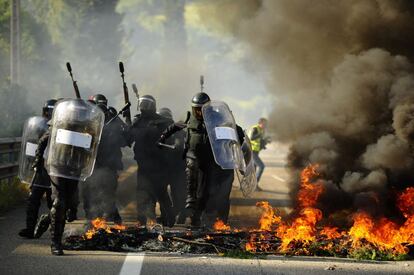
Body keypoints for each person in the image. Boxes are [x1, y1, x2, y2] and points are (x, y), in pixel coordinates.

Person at [159, 93, 244, 227]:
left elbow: (236, 131)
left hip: (215, 163)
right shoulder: (189, 118)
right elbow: (175, 126)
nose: (198, 112)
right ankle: (195, 220)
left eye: (201, 109)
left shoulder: (218, 118)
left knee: (219, 195)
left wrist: (236, 137)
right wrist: (163, 136)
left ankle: (221, 223)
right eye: (196, 109)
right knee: (198, 194)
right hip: (196, 163)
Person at [127, 95, 175, 227]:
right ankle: (141, 221)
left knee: (161, 193)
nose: (143, 108)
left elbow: (170, 139)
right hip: (143, 165)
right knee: (142, 193)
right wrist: (127, 124)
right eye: (142, 104)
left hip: (159, 165)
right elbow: (128, 139)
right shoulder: (137, 121)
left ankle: (170, 219)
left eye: (146, 104)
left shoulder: (163, 122)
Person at [82, 94, 127, 225]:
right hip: (94, 161)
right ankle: (94, 219)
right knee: (92, 191)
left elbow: (124, 135)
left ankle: (112, 217)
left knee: (108, 190)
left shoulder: (113, 117)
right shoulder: (90, 117)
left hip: (109, 161)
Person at [18, 99, 56, 239]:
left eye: (51, 111)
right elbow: (32, 147)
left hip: (53, 171)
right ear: (44, 111)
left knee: (55, 204)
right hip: (40, 171)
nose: (49, 113)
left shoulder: (60, 128)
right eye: (48, 111)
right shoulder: (39, 127)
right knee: (33, 201)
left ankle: (54, 232)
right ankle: (30, 229)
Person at [158, 107, 187, 224]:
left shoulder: (177, 131)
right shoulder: (159, 131)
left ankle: (179, 215)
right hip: (165, 168)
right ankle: (167, 215)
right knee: (163, 193)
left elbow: (179, 145)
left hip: (177, 168)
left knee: (178, 194)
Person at [249, 118, 270, 191]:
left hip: (256, 152)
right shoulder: (255, 128)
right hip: (251, 151)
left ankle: (250, 185)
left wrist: (265, 142)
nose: (265, 126)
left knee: (253, 170)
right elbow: (251, 138)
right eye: (264, 124)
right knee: (261, 166)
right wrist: (260, 134)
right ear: (260, 123)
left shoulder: (262, 130)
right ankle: (254, 185)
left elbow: (259, 141)